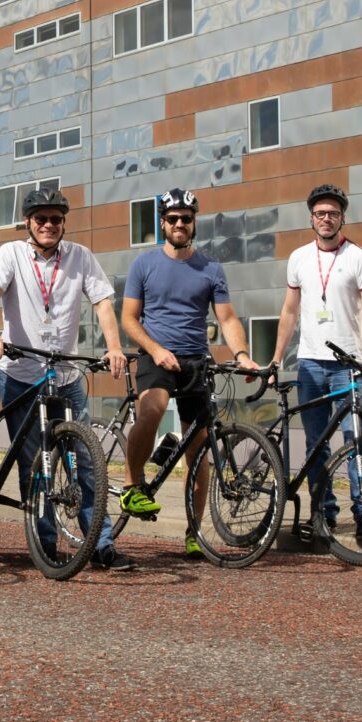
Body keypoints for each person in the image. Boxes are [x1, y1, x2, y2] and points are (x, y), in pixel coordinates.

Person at [0, 188, 133, 570]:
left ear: (64, 223)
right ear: (29, 223)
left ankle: (101, 544)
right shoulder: (11, 253)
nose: (49, 225)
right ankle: (45, 541)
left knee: (85, 459)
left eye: (56, 219)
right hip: (21, 375)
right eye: (41, 219)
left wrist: (114, 347)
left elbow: (102, 303)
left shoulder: (80, 256)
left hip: (66, 375)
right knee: (33, 463)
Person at [119, 187, 257, 560]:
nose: (180, 224)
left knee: (199, 452)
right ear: (163, 223)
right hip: (155, 355)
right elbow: (129, 319)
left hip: (197, 361)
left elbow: (226, 318)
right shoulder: (144, 265)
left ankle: (194, 531)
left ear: (194, 222)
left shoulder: (211, 268)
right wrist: (156, 349)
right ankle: (133, 484)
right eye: (173, 219)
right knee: (151, 409)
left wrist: (242, 355)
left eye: (186, 218)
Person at [270, 183, 362, 539]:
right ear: (311, 218)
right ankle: (322, 514)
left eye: (333, 214)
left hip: (349, 365)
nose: (327, 219)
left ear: (342, 218)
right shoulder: (298, 258)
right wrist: (277, 359)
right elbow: (289, 311)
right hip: (309, 364)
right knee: (316, 445)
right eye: (321, 213)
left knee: (357, 440)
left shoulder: (358, 257)